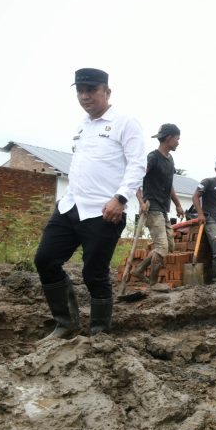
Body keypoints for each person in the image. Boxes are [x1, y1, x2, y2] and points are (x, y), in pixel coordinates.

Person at [34, 68, 145, 339]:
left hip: (105, 211)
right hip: (71, 205)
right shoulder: (82, 126)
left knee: (94, 273)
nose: (85, 96)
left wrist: (120, 198)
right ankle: (66, 323)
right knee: (45, 259)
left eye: (91, 90)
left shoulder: (125, 122)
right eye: (80, 91)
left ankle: (99, 333)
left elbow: (138, 164)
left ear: (107, 92)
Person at [130, 123, 185, 292]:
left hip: (162, 208)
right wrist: (141, 201)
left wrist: (178, 205)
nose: (178, 142)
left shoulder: (170, 160)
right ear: (169, 139)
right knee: (162, 247)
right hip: (151, 207)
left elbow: (169, 186)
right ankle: (153, 283)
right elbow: (136, 179)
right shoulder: (152, 157)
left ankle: (139, 270)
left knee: (169, 246)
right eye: (177, 139)